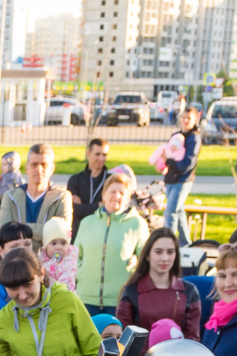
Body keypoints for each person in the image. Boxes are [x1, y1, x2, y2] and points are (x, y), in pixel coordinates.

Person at [74, 169, 149, 315]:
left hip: (120, 300)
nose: (116, 196)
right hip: (86, 298)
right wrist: (80, 273)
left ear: (128, 199)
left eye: (122, 193)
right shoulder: (87, 222)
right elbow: (76, 256)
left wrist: (134, 262)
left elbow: (146, 259)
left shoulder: (137, 224)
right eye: (112, 191)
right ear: (104, 195)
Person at [117, 227, 198, 340]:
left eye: (170, 252)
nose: (165, 258)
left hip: (177, 355)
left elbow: (192, 339)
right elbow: (123, 339)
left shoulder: (190, 291)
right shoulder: (131, 290)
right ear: (147, 255)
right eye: (158, 252)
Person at [0, 144, 71, 240]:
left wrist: (18, 228)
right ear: (27, 168)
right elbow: (3, 233)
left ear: (52, 169)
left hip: (47, 255)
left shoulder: (61, 197)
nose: (39, 170)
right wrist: (44, 230)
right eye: (34, 164)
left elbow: (62, 233)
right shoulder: (10, 196)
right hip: (17, 254)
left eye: (44, 165)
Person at [152, 110, 202, 243]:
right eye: (183, 117)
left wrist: (170, 162)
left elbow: (188, 162)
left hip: (183, 179)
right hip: (170, 179)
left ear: (195, 119)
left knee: (170, 212)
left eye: (189, 118)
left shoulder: (194, 137)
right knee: (178, 212)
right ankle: (186, 243)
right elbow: (167, 152)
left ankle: (169, 243)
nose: (185, 120)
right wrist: (163, 163)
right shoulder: (176, 135)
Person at [38, 218, 79, 292]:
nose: (59, 247)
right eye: (53, 243)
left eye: (63, 243)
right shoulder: (40, 261)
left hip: (69, 297)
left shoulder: (73, 257)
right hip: (49, 297)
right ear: (45, 245)